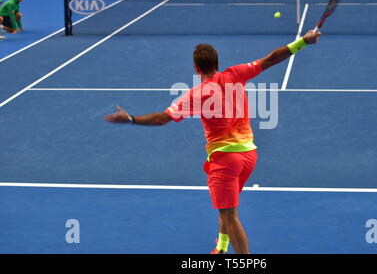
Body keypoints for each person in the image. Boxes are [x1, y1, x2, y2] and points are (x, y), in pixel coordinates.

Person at [104, 30, 321, 254]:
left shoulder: (195, 95)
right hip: (249, 156)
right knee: (226, 207)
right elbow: (271, 58)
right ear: (217, 63)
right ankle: (222, 247)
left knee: (230, 215)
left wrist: (130, 119)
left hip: (225, 160)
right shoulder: (236, 74)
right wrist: (303, 41)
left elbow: (161, 119)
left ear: (197, 68)